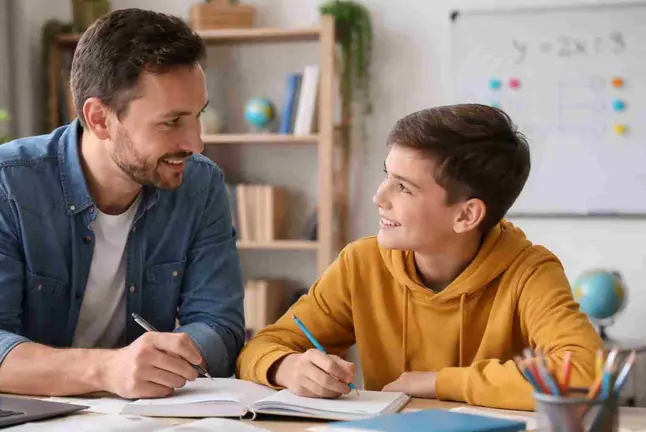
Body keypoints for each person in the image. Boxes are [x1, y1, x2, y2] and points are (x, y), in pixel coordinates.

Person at [0, 8, 245, 399]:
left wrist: (168, 359)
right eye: (172, 122)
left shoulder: (201, 187)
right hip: (11, 414)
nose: (196, 143)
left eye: (198, 116)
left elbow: (221, 326)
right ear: (99, 118)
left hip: (135, 417)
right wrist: (106, 369)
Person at [236, 104, 602, 410]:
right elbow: (260, 349)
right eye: (387, 176)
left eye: (404, 187)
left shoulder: (530, 272)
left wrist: (438, 382)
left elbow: (585, 373)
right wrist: (288, 366)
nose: (379, 197)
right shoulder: (360, 264)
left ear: (466, 216)